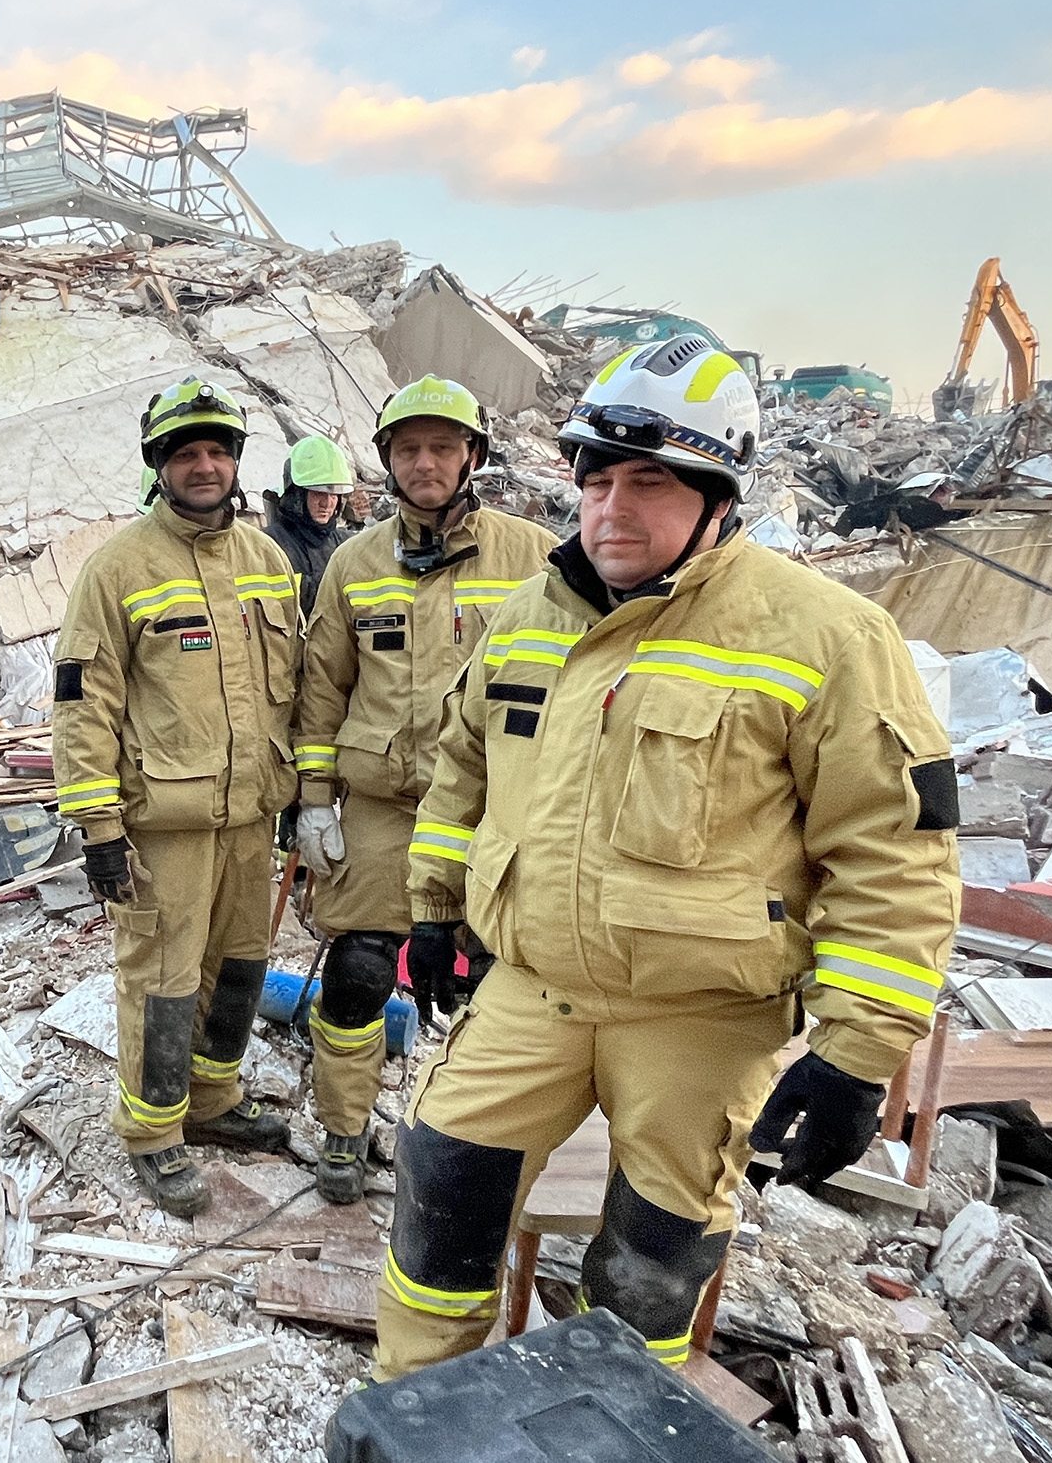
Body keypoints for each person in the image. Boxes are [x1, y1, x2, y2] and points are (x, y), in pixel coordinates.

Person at [373, 338, 960, 1378]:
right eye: (597, 481)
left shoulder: (826, 636)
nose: (611, 510)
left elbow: (894, 852)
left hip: (699, 1015)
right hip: (535, 989)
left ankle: (613, 1419)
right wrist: (432, 909)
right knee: (441, 1194)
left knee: (652, 1260)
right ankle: (413, 1407)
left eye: (649, 482)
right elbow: (463, 773)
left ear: (720, 493)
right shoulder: (527, 617)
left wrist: (859, 1051)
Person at [288, 376, 553, 1204]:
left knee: (477, 981)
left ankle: (464, 1145)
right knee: (359, 971)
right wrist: (313, 799)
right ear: (387, 462)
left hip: (489, 811)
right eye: (408, 449)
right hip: (377, 802)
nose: (425, 463)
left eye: (442, 447)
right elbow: (321, 689)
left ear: (472, 455)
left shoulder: (534, 556)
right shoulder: (354, 562)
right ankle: (342, 1131)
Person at [53, 376, 304, 1215]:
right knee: (161, 982)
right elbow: (83, 704)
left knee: (238, 968)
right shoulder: (118, 568)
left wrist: (307, 790)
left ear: (236, 463)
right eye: (185, 452)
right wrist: (95, 825)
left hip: (250, 814)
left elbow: (294, 687)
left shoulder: (267, 560)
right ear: (158, 465)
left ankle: (214, 1103)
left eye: (216, 450)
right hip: (162, 822)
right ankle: (154, 1135)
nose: (204, 465)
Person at [263, 435, 358, 614]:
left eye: (334, 494)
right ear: (297, 495)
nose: (327, 503)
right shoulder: (267, 545)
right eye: (318, 493)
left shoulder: (348, 545)